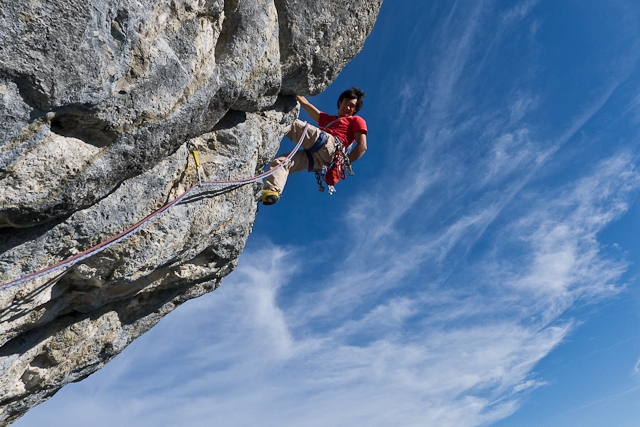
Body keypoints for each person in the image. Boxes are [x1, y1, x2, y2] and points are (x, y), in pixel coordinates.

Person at [260, 87, 368, 205]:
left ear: (355, 110)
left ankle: (264, 125)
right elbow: (306, 104)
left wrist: (341, 166)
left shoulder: (356, 120)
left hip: (330, 145)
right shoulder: (328, 120)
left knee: (289, 122)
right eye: (346, 103)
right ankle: (272, 191)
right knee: (282, 162)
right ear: (340, 102)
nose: (347, 107)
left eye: (352, 106)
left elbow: (362, 146)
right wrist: (293, 87)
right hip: (321, 161)